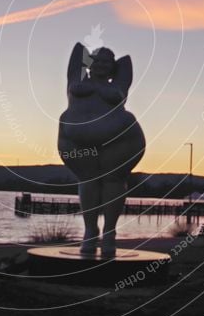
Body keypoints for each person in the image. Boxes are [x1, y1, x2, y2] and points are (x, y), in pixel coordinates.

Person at [57, 42, 146, 257]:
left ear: (113, 67)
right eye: (97, 60)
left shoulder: (118, 85)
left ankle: (109, 232)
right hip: (76, 138)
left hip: (118, 138)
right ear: (89, 64)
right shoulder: (77, 79)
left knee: (113, 180)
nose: (101, 65)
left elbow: (125, 70)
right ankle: (90, 230)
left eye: (107, 62)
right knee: (88, 179)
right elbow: (77, 54)